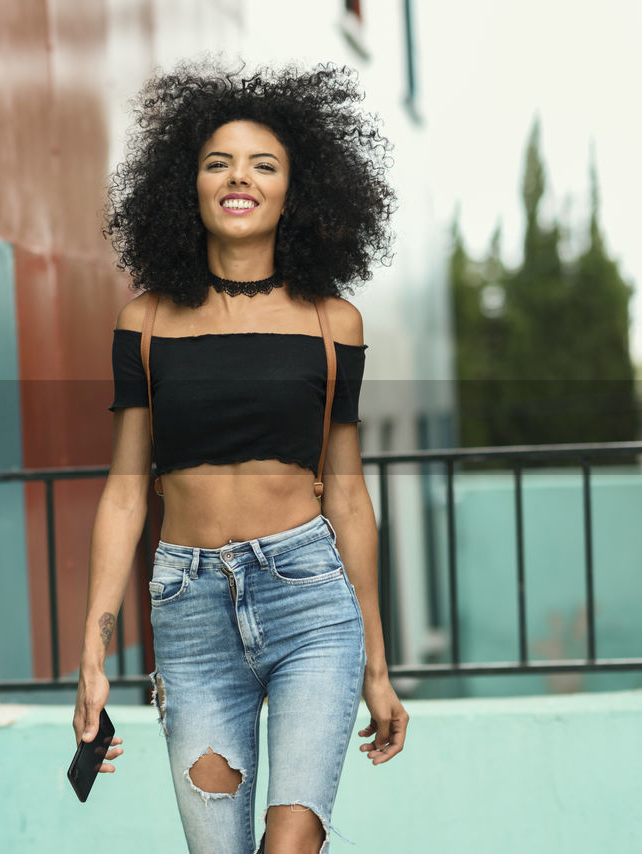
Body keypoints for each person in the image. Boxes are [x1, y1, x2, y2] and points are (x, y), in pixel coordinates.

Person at [72, 58, 410, 854]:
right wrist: (93, 661)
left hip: (310, 604)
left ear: (297, 191)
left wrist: (378, 665)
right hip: (188, 612)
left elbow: (351, 498)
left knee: (288, 844)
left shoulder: (334, 326)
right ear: (186, 186)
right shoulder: (147, 322)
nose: (240, 178)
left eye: (265, 165)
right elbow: (126, 495)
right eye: (218, 162)